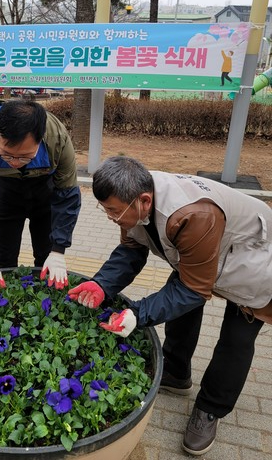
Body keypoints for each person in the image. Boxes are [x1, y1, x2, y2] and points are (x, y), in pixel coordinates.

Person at [68, 156, 272, 456]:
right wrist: (102, 285)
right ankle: (176, 372)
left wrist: (137, 314)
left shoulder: (193, 215)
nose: (110, 217)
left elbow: (193, 289)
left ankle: (210, 409)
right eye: (105, 209)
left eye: (112, 211)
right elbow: (131, 250)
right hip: (202, 253)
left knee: (236, 339)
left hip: (253, 262)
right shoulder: (133, 196)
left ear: (144, 200)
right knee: (179, 303)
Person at [0, 99, 81, 301]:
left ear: (40, 139)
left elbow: (67, 195)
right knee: (3, 258)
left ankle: (46, 305)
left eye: (25, 156)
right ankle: (5, 304)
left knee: (46, 257)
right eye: (6, 155)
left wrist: (59, 249)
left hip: (46, 195)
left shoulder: (56, 137)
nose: (15, 163)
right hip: (5, 194)